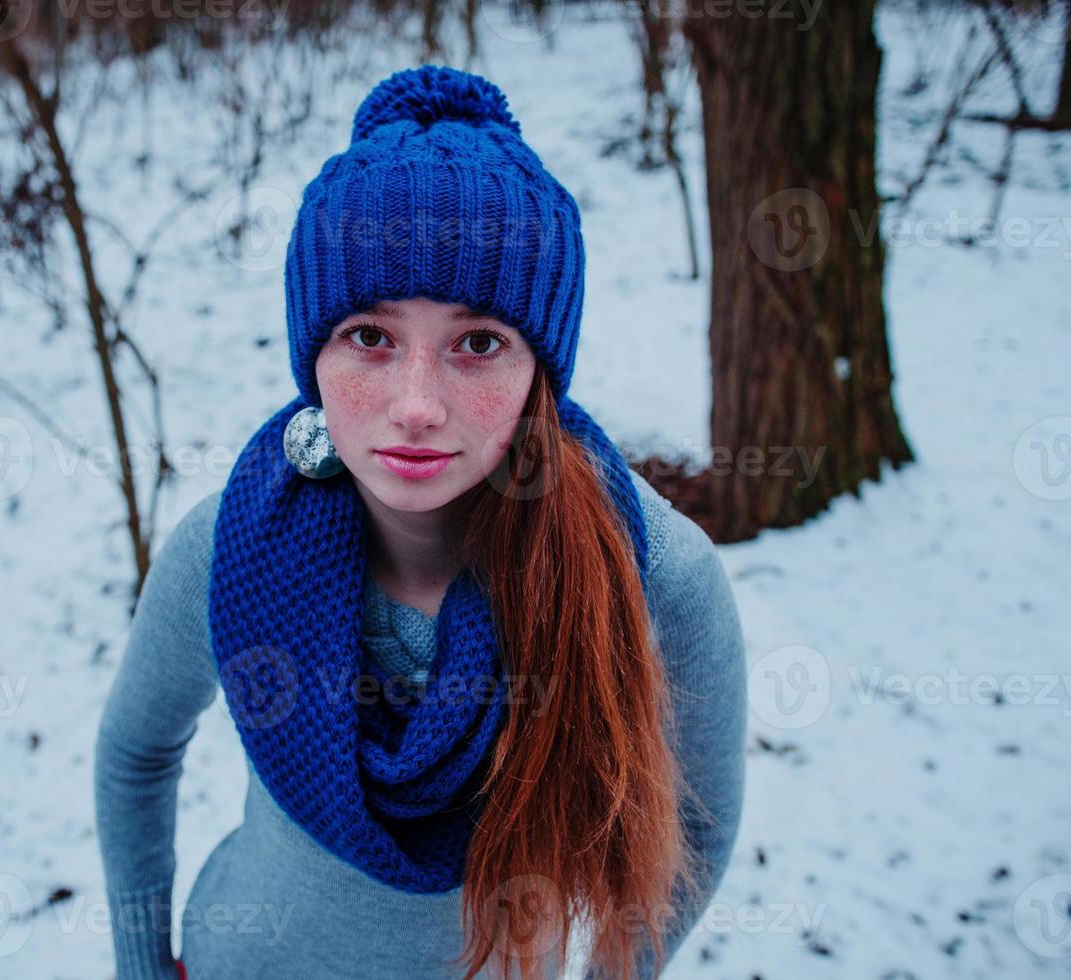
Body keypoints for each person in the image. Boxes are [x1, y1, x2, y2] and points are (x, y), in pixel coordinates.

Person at [94, 65, 747, 980]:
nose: (414, 406)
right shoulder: (233, 548)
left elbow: (698, 830)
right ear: (311, 351)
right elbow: (135, 753)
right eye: (370, 335)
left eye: (478, 343)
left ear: (539, 374)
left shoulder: (649, 576)